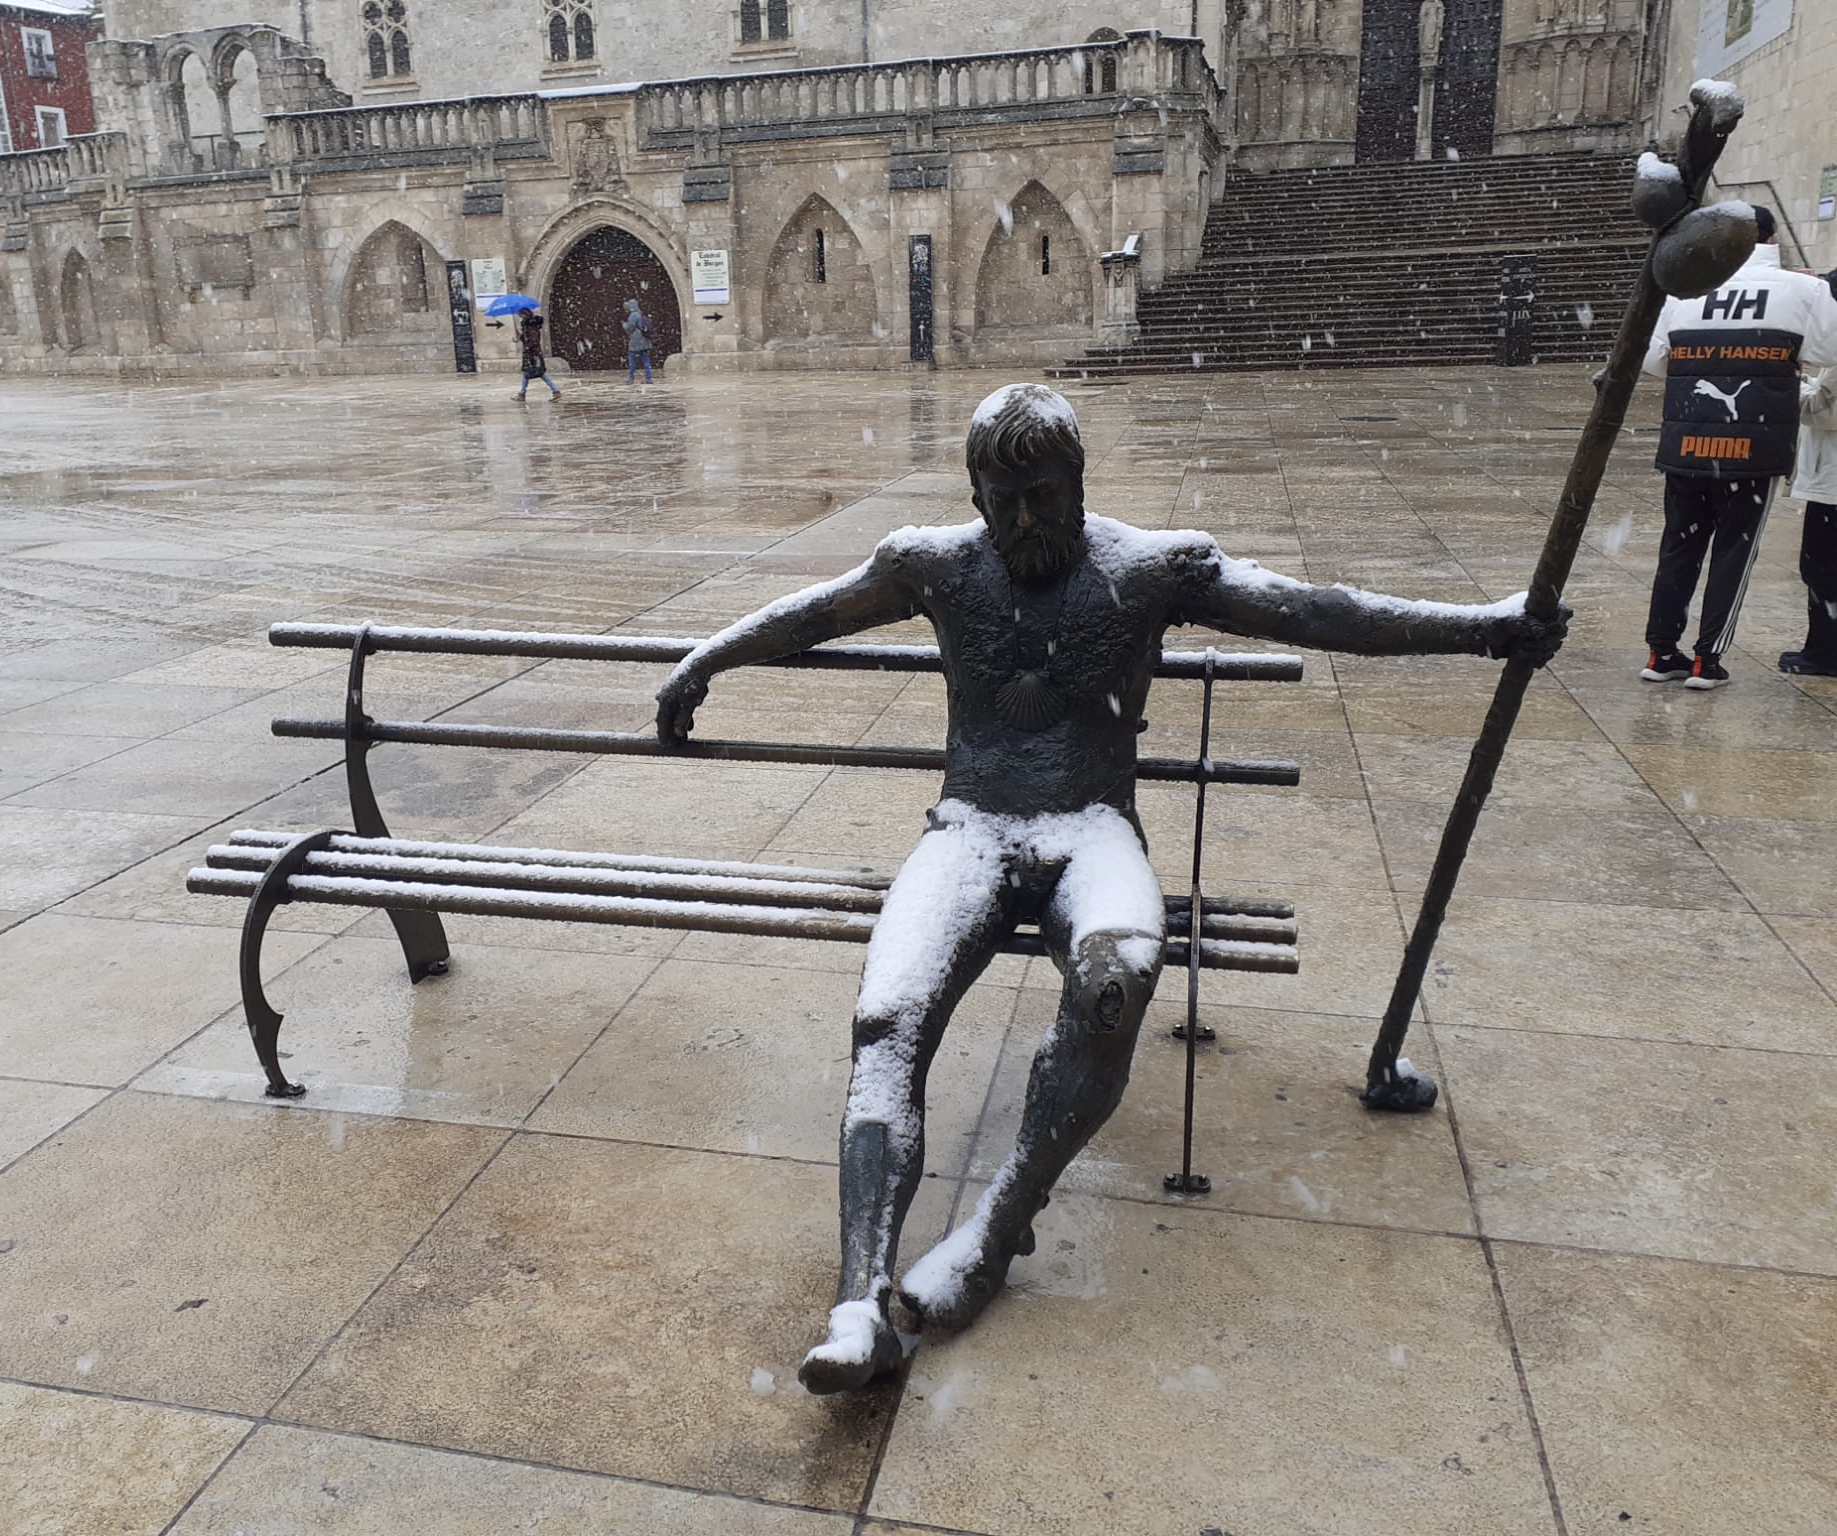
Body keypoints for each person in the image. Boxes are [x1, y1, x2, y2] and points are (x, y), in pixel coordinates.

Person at [654, 383, 1566, 1394]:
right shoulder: (933, 563)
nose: (1024, 520)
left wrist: (1481, 628)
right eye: (1002, 500)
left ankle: (992, 1234)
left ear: (1079, 480)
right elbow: (816, 613)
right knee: (885, 1023)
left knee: (1115, 983)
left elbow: (1314, 610)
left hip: (1090, 833)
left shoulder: (1150, 567)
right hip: (968, 830)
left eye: (1042, 494)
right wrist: (708, 656)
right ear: (973, 491)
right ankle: (856, 1301)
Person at [1639, 206, 1837, 689]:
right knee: (1734, 551)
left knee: (1678, 547)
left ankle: (1662, 652)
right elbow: (1830, 351)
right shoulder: (1804, 290)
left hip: (1686, 438)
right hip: (1753, 445)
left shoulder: (1684, 289)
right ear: (1771, 239)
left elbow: (1653, 360)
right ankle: (1708, 659)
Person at [1782, 270, 1837, 676]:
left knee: (1821, 568)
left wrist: (1790, 382)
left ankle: (1824, 653)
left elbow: (1824, 411)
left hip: (1832, 484)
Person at [514, 311, 560, 401]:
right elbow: (528, 340)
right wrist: (521, 337)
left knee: (538, 373)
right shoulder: (529, 327)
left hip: (532, 355)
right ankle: (522, 394)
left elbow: (533, 342)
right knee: (527, 373)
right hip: (531, 354)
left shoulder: (531, 328)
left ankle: (555, 391)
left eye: (520, 315)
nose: (519, 317)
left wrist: (527, 347)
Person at [622, 297, 652, 383]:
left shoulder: (633, 315)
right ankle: (648, 378)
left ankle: (631, 378)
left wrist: (624, 325)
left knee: (632, 359)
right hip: (644, 341)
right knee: (645, 359)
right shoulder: (640, 313)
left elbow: (629, 327)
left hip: (636, 341)